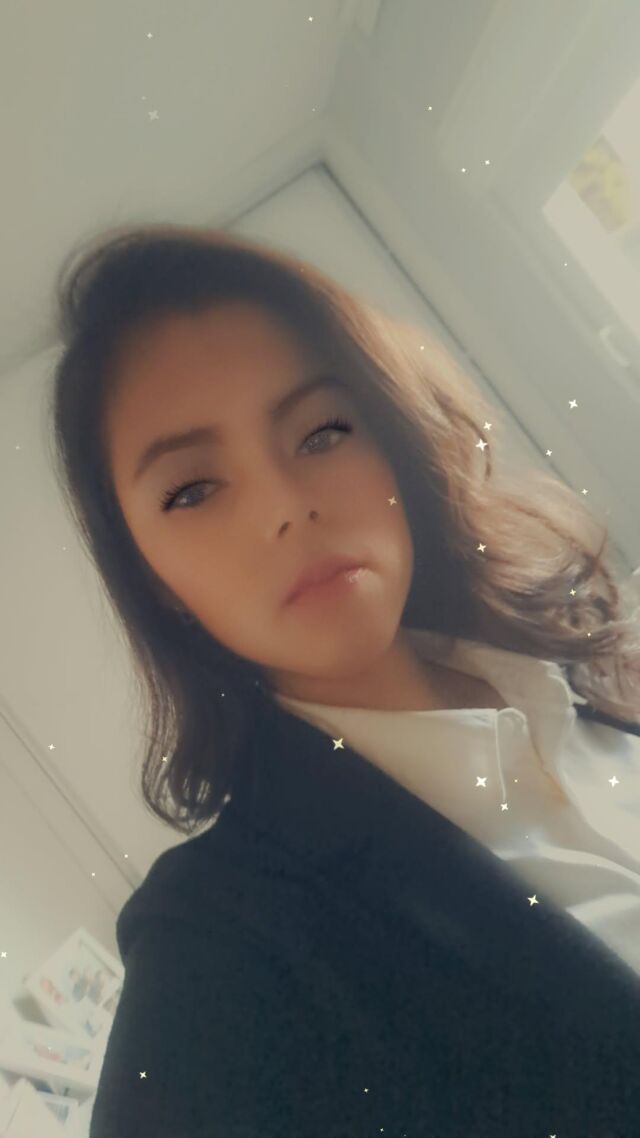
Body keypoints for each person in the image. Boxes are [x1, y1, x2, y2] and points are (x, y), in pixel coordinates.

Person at [48, 223, 640, 1137]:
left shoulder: (585, 658)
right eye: (193, 490)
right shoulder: (222, 940)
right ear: (152, 579)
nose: (288, 507)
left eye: (323, 431)